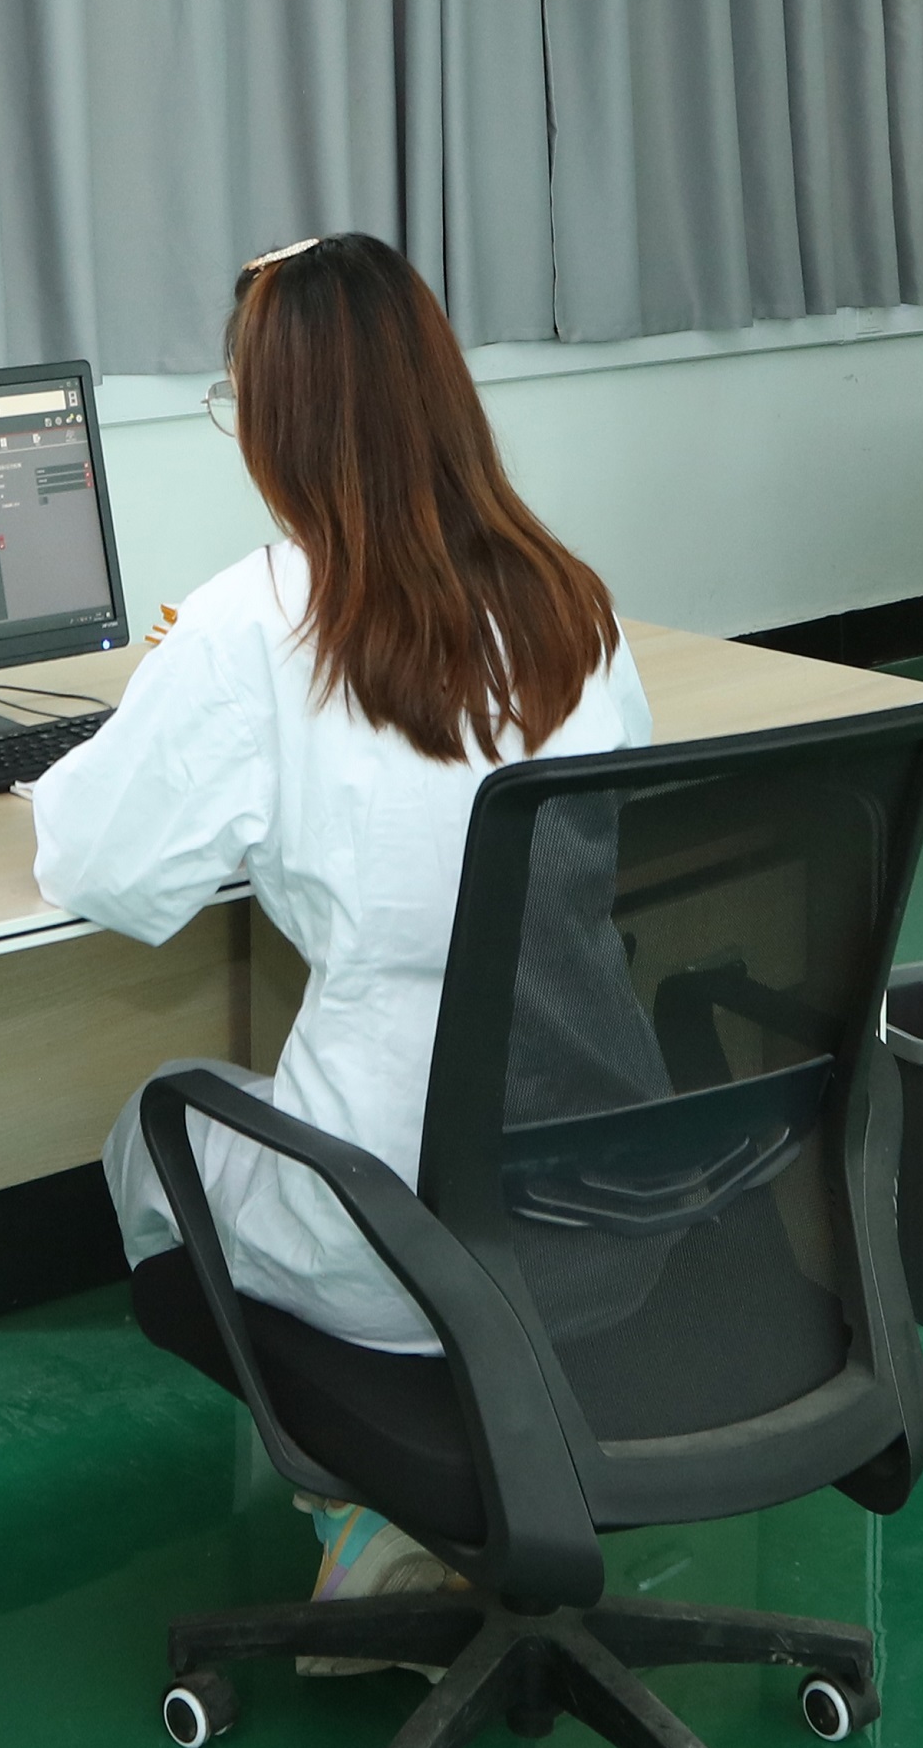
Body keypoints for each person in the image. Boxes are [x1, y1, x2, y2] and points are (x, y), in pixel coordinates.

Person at [37, 230, 652, 1637]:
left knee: (152, 1121)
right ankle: (407, 1492)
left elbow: (99, 868)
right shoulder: (571, 601)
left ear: (276, 425)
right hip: (595, 1207)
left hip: (389, 1241)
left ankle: (353, 1504)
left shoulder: (251, 623)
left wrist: (148, 729)